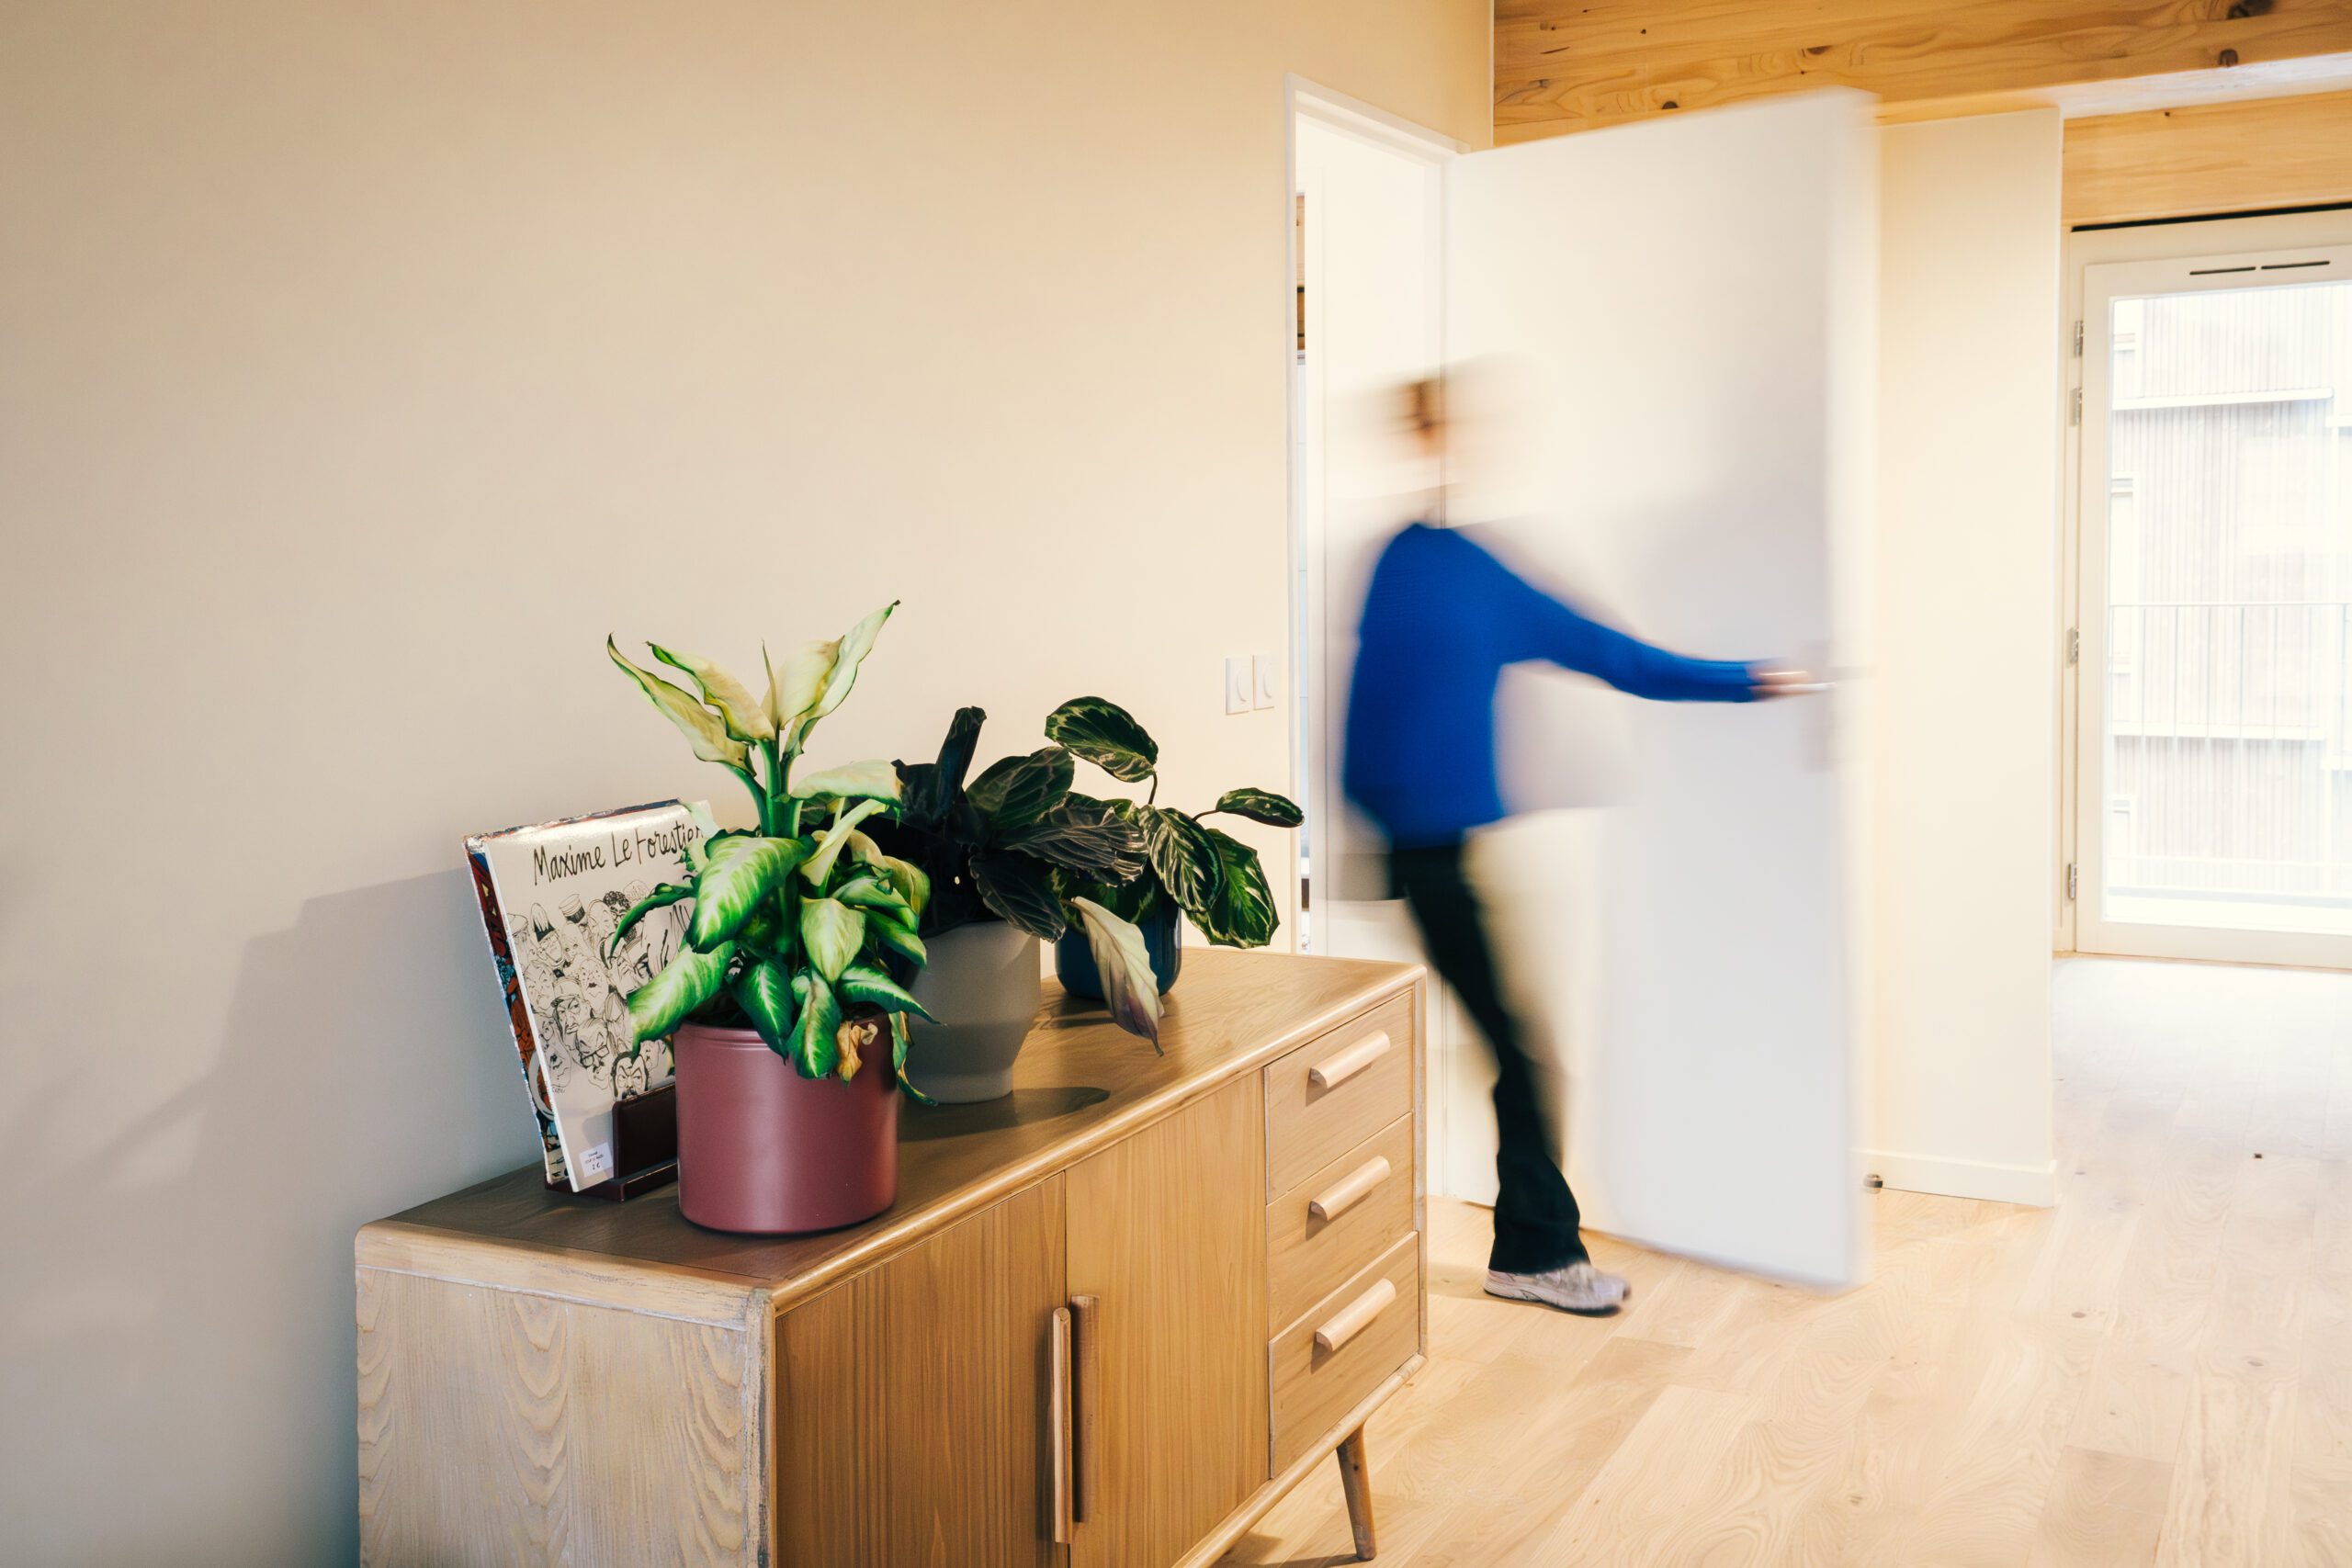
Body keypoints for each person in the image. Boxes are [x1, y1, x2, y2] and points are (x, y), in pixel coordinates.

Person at [1343, 374, 1811, 1316]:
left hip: (1453, 850)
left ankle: (1531, 1246)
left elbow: (1617, 657)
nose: (1449, 439)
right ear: (1417, 434)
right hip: (1427, 856)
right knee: (1525, 1056)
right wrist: (1379, 834)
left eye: (1456, 423)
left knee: (1521, 1053)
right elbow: (1366, 712)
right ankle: (1534, 1254)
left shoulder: (1472, 572)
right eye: (1434, 421)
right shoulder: (1404, 562)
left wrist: (1747, 680)